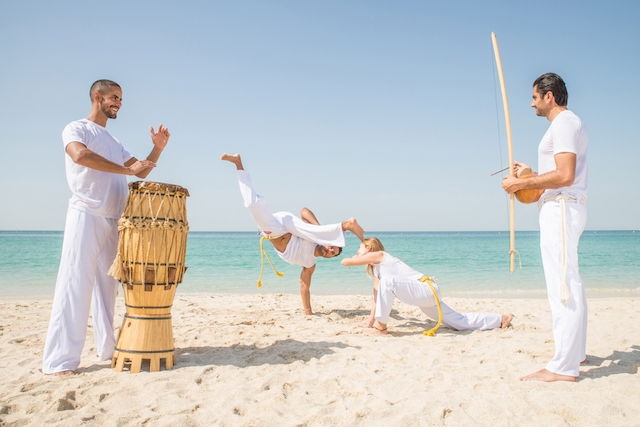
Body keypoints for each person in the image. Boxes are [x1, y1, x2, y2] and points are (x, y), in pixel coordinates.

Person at [42, 79, 171, 375]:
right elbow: (79, 155)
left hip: (115, 220)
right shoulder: (76, 128)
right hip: (86, 213)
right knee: (74, 285)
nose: (119, 103)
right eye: (114, 97)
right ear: (97, 97)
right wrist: (126, 169)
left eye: (121, 99)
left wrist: (156, 149)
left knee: (107, 289)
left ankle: (107, 349)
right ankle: (59, 361)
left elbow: (138, 168)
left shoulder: (114, 142)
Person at [502, 72, 588, 382]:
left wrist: (518, 184)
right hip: (561, 206)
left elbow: (565, 175)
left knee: (562, 284)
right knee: (568, 280)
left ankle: (563, 367)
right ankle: (575, 354)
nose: (532, 103)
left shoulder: (564, 123)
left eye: (535, 97)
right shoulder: (564, 125)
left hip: (562, 207)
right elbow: (556, 175)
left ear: (549, 96)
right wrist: (528, 175)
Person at [221, 153, 365, 315]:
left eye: (333, 253)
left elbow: (304, 286)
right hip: (287, 224)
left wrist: (308, 312)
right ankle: (347, 225)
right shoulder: (315, 237)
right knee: (310, 232)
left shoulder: (310, 264)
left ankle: (238, 163)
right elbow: (304, 211)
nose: (330, 250)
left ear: (330, 258)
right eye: (332, 247)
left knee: (251, 204)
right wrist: (321, 233)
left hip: (275, 229)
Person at [341, 237, 513, 334]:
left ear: (369, 248)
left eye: (360, 248)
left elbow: (347, 262)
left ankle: (382, 326)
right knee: (458, 322)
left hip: (425, 289)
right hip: (422, 297)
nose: (357, 252)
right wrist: (369, 322)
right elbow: (376, 299)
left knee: (388, 282)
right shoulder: (378, 272)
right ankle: (499, 319)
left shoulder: (380, 255)